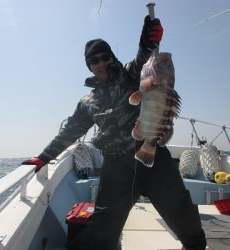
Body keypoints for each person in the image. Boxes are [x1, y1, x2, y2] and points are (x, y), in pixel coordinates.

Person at [22, 15, 207, 250]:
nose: (101, 63)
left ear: (112, 57)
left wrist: (148, 38)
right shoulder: (88, 102)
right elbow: (70, 131)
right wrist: (44, 157)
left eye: (104, 57)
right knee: (103, 230)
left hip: (154, 158)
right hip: (117, 167)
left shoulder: (131, 74)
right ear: (89, 65)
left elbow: (145, 58)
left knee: (182, 213)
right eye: (94, 60)